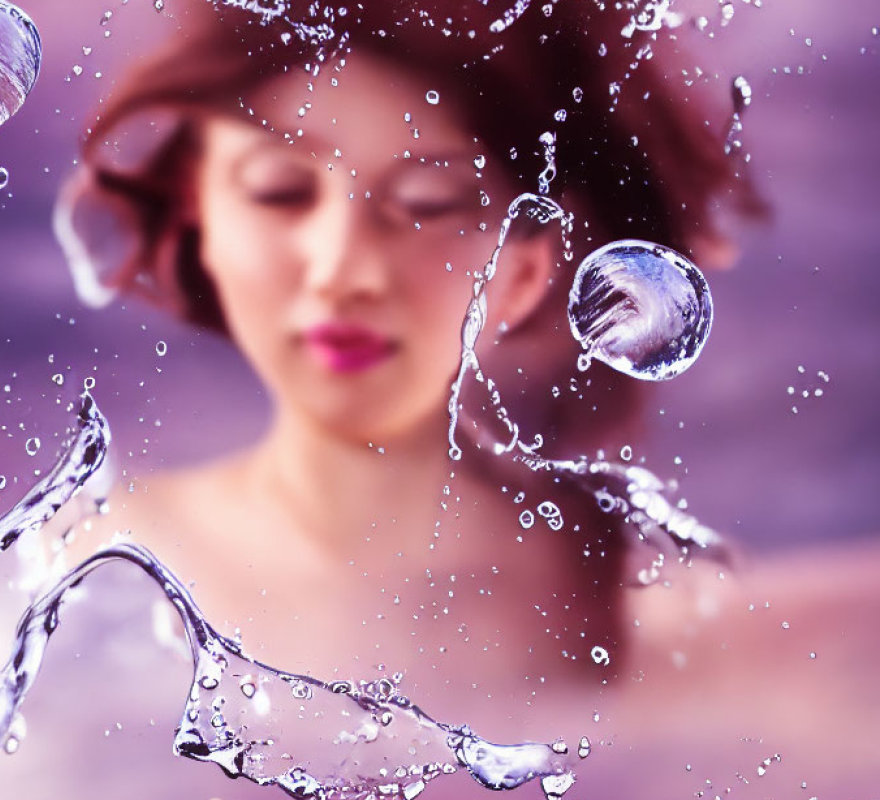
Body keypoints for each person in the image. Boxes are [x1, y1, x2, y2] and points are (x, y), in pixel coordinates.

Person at [50, 1, 870, 797]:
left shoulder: (652, 603)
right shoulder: (79, 574)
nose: (345, 270)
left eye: (429, 205)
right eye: (279, 192)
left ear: (526, 266)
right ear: (200, 210)